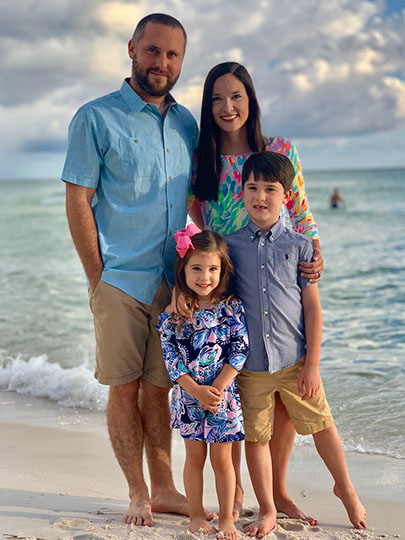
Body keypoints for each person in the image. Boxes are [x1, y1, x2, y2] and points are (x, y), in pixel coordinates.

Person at [61, 14, 199, 527]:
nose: (161, 62)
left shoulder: (187, 123)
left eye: (172, 54)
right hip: (118, 279)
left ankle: (164, 488)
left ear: (181, 61)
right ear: (132, 49)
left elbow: (197, 202)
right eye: (153, 50)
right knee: (124, 387)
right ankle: (138, 492)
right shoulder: (95, 118)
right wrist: (96, 277)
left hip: (173, 284)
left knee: (161, 389)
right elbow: (78, 199)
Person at [185, 61, 323, 524]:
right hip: (227, 288)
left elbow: (300, 210)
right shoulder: (201, 159)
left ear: (251, 100)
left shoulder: (279, 149)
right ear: (208, 106)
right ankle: (240, 487)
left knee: (281, 389)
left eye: (236, 96)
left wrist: (315, 252)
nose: (227, 107)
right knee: (239, 391)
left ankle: (277, 491)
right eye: (217, 99)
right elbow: (198, 218)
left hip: (280, 280)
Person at [225, 151, 367, 538]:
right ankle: (268, 508)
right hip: (251, 367)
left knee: (322, 424)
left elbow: (312, 309)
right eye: (252, 187)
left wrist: (312, 365)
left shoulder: (301, 246)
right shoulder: (229, 248)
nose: (260, 196)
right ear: (241, 192)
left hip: (295, 362)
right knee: (256, 438)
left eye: (270, 189)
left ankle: (346, 489)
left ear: (286, 196)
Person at [158, 226, 249, 539]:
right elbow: (171, 358)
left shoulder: (231, 308)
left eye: (212, 269)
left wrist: (218, 387)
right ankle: (196, 514)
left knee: (223, 461)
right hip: (188, 399)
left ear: (223, 271)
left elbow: (240, 350)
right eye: (196, 268)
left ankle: (226, 520)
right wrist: (195, 390)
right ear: (183, 270)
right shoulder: (176, 313)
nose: (204, 277)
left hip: (223, 397)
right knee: (194, 459)